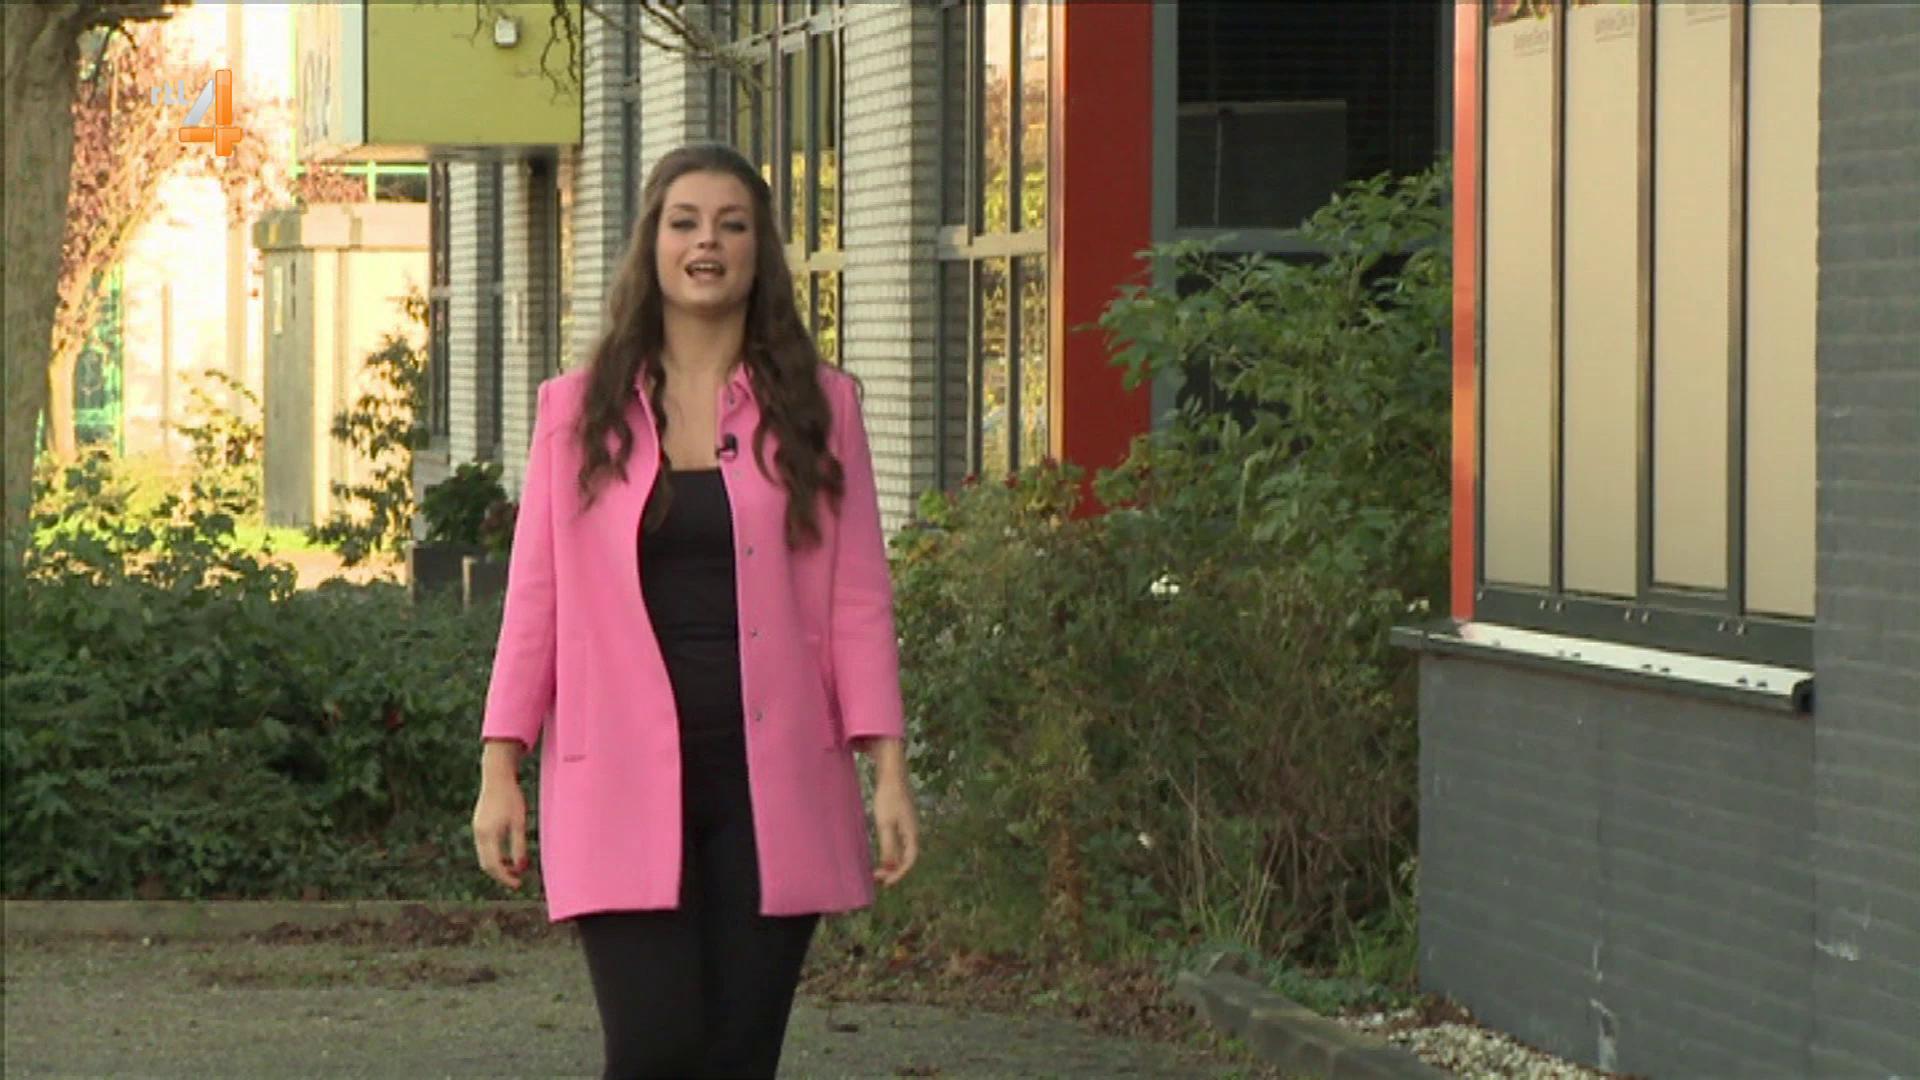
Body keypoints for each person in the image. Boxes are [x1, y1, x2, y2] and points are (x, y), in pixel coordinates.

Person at [469, 142, 921, 1080]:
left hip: (774, 782)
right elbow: (536, 601)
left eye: (731, 225)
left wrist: (887, 771)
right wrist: (499, 765)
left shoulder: (823, 408)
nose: (706, 243)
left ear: (760, 251)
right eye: (684, 223)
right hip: (617, 778)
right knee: (654, 1049)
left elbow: (859, 599)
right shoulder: (575, 412)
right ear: (653, 244)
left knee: (737, 1056)